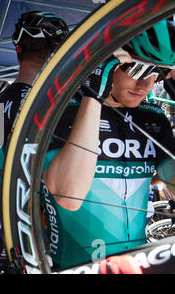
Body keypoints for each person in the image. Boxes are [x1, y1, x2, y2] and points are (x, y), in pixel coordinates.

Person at [41, 18, 175, 269]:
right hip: (75, 265)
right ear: (104, 63)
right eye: (138, 70)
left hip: (133, 263)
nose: (146, 85)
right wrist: (94, 96)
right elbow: (68, 196)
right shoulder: (63, 110)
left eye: (156, 73)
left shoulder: (153, 117)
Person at [0, 11, 69, 184]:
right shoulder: (39, 103)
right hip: (31, 207)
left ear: (18, 53)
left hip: (3, 200)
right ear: (54, 54)